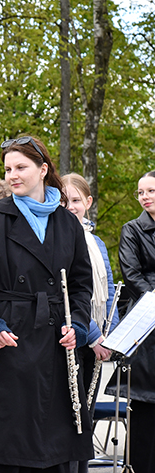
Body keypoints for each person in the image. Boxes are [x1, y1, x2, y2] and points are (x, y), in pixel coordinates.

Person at [0, 136, 94, 472]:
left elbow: (81, 285)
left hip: (56, 345)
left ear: (43, 170)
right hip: (9, 342)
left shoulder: (68, 223)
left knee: (55, 452)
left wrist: (78, 325)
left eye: (20, 167)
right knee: (8, 453)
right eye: (8, 169)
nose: (12, 176)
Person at [61, 173, 119, 473]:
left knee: (88, 415)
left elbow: (107, 290)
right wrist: (95, 336)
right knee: (71, 420)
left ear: (88, 202)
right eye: (64, 201)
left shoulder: (96, 242)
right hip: (75, 338)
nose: (70, 206)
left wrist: (111, 338)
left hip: (97, 342)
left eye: (76, 200)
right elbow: (71, 296)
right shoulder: (58, 239)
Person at [117, 170, 155, 472]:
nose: (145, 197)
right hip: (146, 324)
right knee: (144, 408)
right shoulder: (131, 230)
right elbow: (131, 276)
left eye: (151, 191)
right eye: (140, 192)